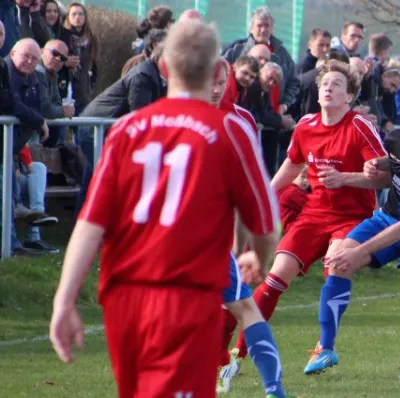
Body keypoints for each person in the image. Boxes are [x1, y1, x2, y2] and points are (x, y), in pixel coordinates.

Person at [48, 20, 279, 398]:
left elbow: (90, 224)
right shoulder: (230, 130)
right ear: (219, 71)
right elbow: (266, 224)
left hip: (123, 297)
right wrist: (259, 258)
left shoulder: (125, 130)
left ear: (164, 68)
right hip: (185, 297)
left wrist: (64, 299)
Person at [229, 59, 387, 363]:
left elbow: (385, 176)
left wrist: (346, 179)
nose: (328, 88)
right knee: (275, 276)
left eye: (337, 84)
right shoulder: (306, 125)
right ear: (318, 94)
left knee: (338, 264)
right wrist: (264, 196)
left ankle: (325, 348)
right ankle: (239, 352)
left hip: (352, 217)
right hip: (314, 214)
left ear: (349, 97)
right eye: (325, 84)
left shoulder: (359, 125)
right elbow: (292, 164)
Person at [304, 102, 400, 379]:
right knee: (338, 260)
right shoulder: (398, 139)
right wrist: (372, 165)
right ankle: (325, 347)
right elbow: (391, 173)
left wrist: (358, 252)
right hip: (387, 218)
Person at [210, 57, 289, 398]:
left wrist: (240, 249)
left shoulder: (241, 120)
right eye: (207, 80)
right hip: (173, 240)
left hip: (214, 238)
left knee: (244, 307)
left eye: (220, 81)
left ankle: (274, 389)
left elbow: (248, 191)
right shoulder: (167, 117)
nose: (215, 89)